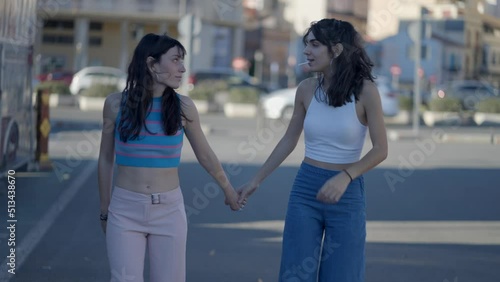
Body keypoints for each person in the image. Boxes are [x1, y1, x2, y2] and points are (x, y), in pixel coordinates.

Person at [238, 19, 388, 282]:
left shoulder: (366, 92)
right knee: (295, 274)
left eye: (315, 45)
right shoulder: (306, 89)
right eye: (306, 44)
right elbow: (289, 139)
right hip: (305, 190)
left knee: (343, 275)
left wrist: (346, 176)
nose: (307, 50)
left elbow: (380, 150)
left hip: (347, 193)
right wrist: (256, 180)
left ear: (338, 50)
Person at [97, 33, 243, 282]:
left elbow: (205, 155)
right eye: (175, 60)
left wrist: (228, 189)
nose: (182, 68)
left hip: (169, 211)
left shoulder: (184, 107)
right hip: (125, 209)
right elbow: (106, 159)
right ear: (152, 64)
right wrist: (105, 209)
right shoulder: (115, 105)